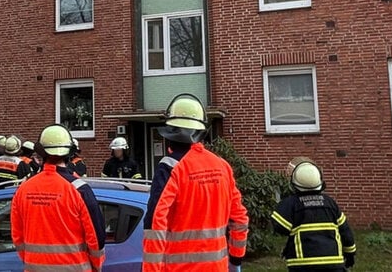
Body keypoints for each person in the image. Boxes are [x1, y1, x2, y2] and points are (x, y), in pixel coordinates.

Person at [143, 94, 249, 272]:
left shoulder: (170, 167)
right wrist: (236, 258)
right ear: (200, 132)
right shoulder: (222, 166)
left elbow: (155, 222)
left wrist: (151, 269)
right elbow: (239, 218)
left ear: (170, 133)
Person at [11, 124, 106, 272]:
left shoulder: (23, 189)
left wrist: (32, 261)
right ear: (69, 152)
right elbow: (95, 237)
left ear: (41, 152)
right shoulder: (79, 190)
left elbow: (17, 236)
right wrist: (95, 266)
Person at [271, 158, 356, 271]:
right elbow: (345, 232)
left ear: (294, 183)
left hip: (302, 264)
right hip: (333, 263)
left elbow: (279, 226)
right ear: (319, 182)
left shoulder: (292, 203)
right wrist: (350, 253)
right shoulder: (330, 203)